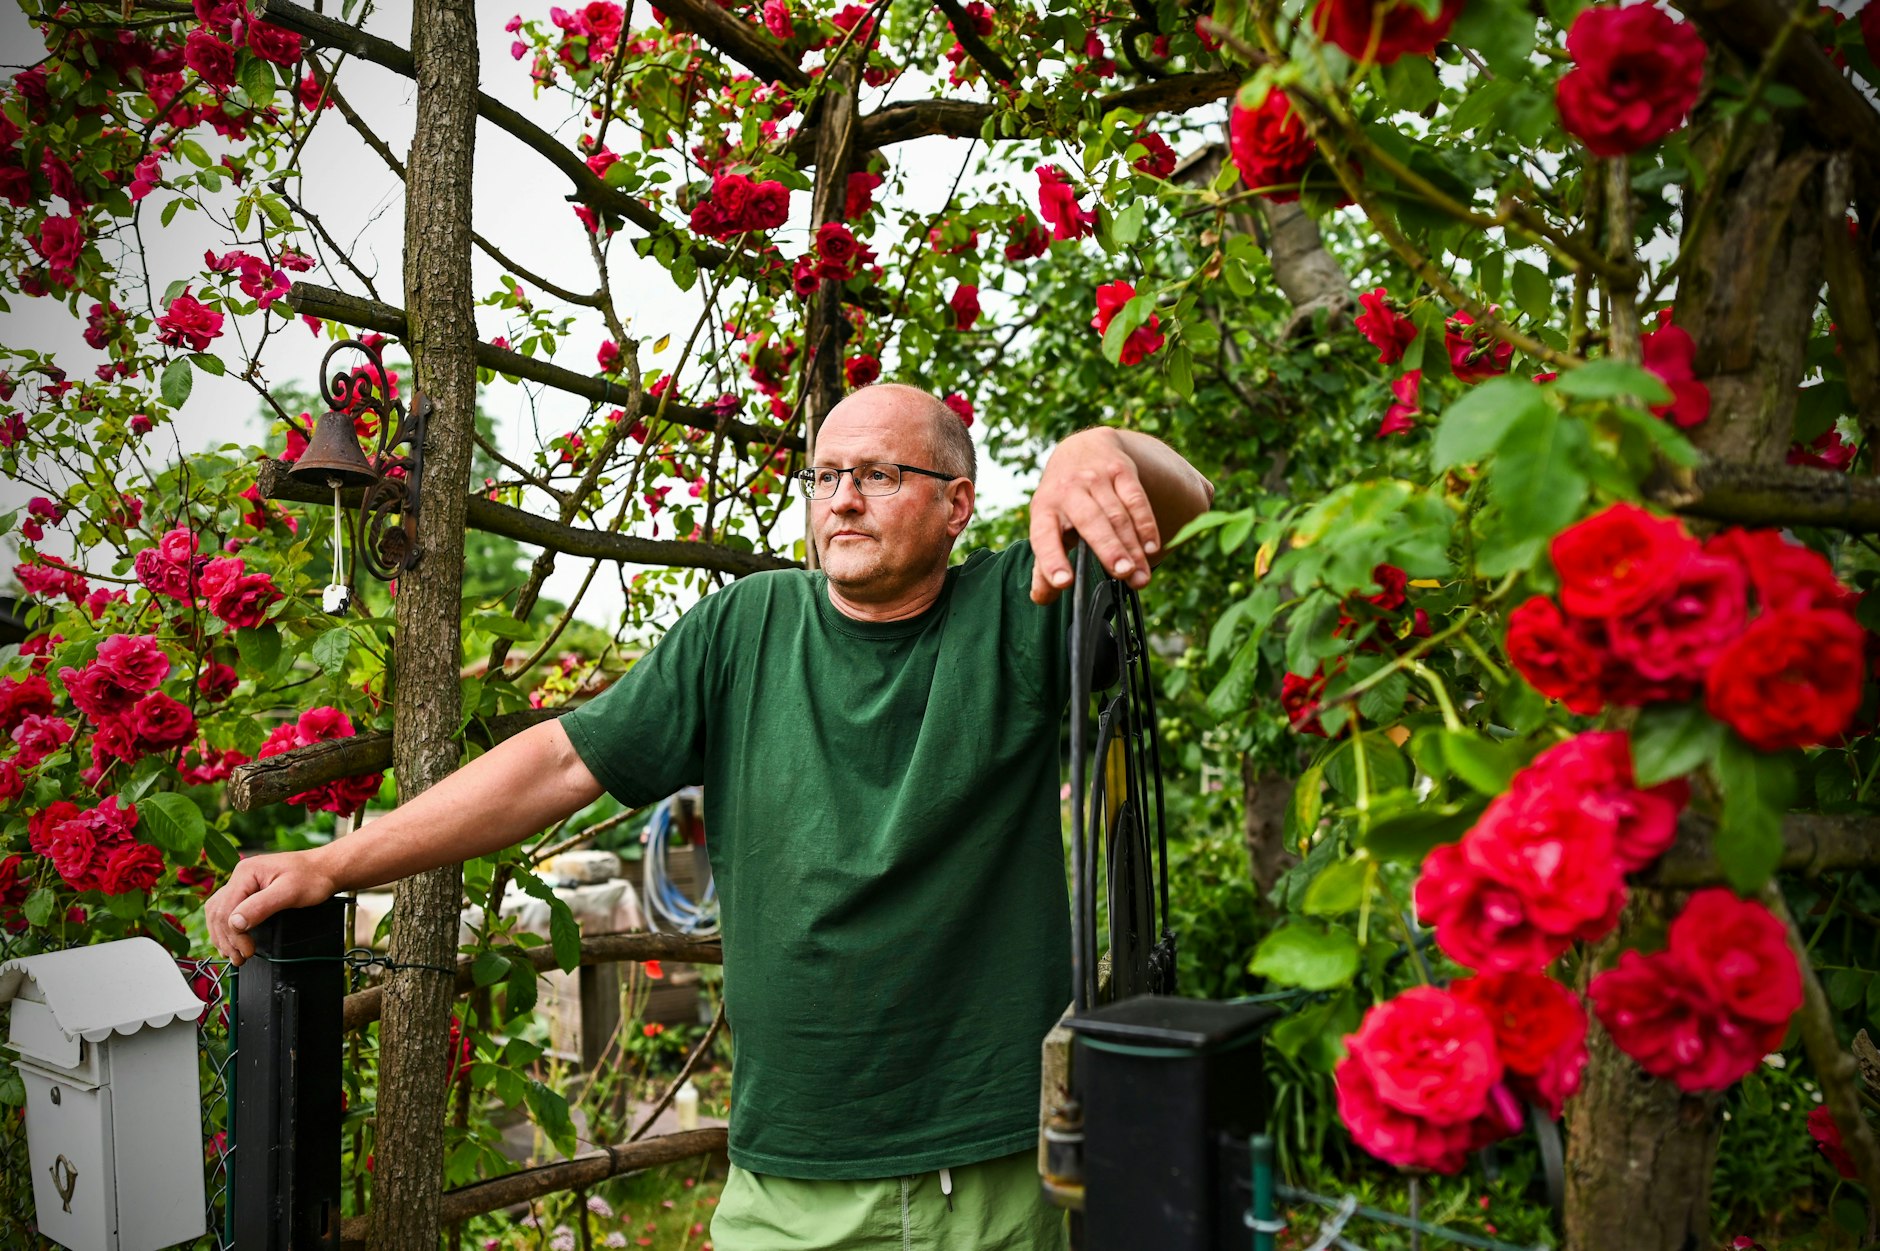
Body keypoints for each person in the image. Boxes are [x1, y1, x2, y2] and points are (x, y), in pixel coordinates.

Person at [204, 382, 1214, 1249]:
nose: (842, 498)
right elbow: (560, 758)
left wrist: (1100, 449)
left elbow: (1186, 497)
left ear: (957, 505)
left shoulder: (1016, 607)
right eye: (825, 475)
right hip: (786, 1178)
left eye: (878, 474)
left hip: (989, 1174)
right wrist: (334, 865)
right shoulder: (744, 627)